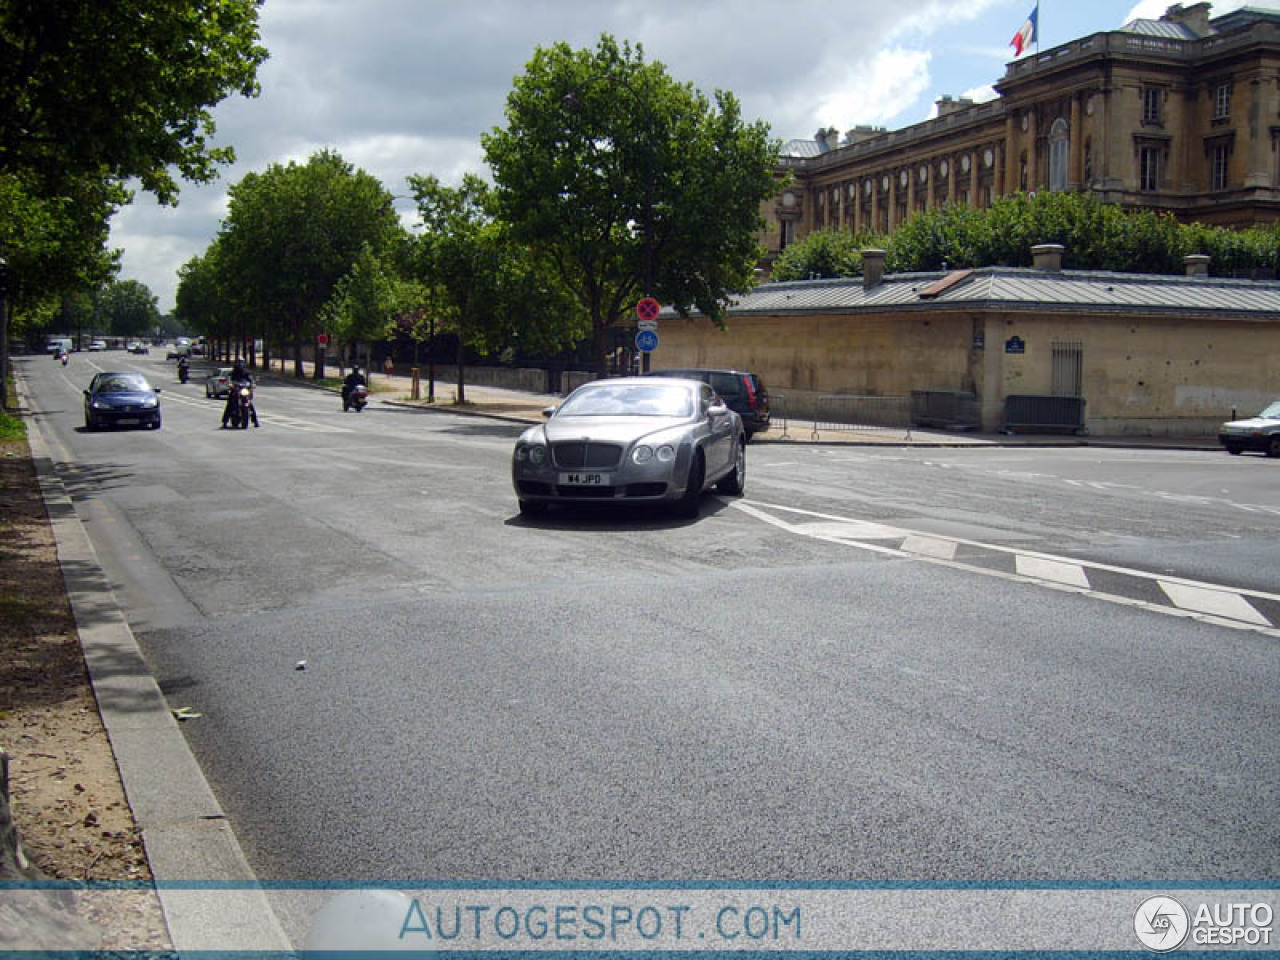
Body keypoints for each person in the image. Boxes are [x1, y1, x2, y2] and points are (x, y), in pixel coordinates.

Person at [221, 358, 259, 428]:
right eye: (239, 363)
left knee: (250, 404)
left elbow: (251, 379)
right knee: (230, 404)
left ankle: (255, 421)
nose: (240, 364)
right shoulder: (233, 373)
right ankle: (225, 422)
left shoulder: (246, 372)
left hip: (243, 390)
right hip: (235, 390)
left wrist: (252, 384)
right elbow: (229, 379)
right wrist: (230, 385)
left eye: (242, 363)